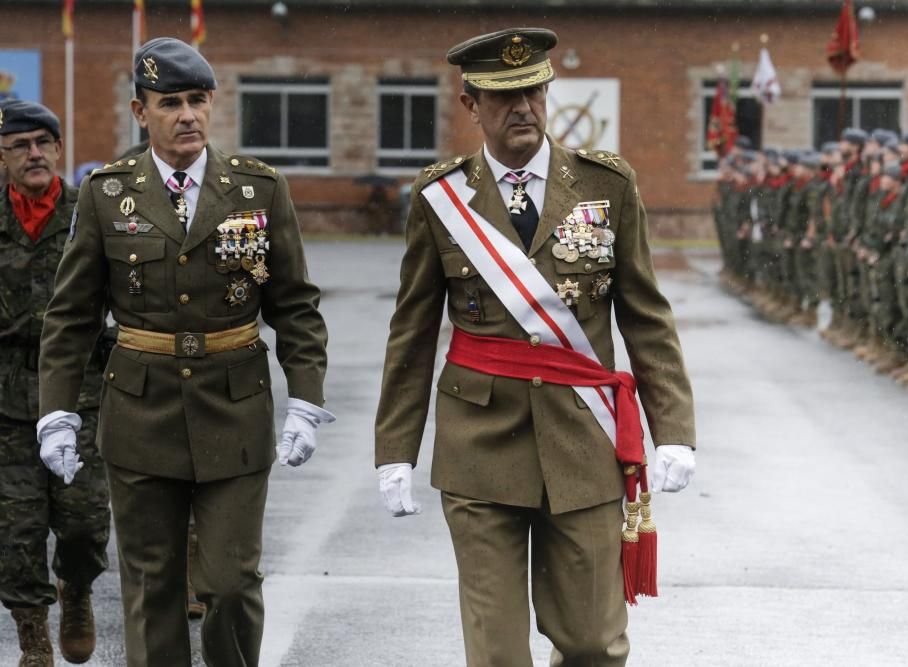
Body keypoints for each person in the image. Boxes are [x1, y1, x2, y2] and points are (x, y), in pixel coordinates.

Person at [374, 27, 696, 666]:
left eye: (532, 91)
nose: (522, 107)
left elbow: (646, 316)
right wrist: (395, 450)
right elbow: (412, 330)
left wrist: (676, 429)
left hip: (583, 439)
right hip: (480, 446)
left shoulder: (606, 185)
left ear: (548, 92)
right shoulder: (442, 198)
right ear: (471, 106)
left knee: (593, 644)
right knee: (495, 651)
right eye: (503, 96)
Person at [35, 37, 333, 666]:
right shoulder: (105, 194)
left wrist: (306, 398)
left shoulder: (258, 191)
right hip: (141, 412)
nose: (188, 114)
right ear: (141, 113)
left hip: (234, 407)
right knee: (151, 583)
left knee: (229, 582)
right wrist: (56, 411)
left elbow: (295, 306)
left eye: (198, 99)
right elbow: (72, 315)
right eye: (171, 103)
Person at [0, 100, 110, 666]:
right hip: (5, 400)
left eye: (44, 142)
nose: (35, 153)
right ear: (3, 156)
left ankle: (79, 594)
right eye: (21, 145)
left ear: (60, 150)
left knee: (85, 522)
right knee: (16, 531)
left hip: (80, 394)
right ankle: (32, 636)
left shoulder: (89, 213)